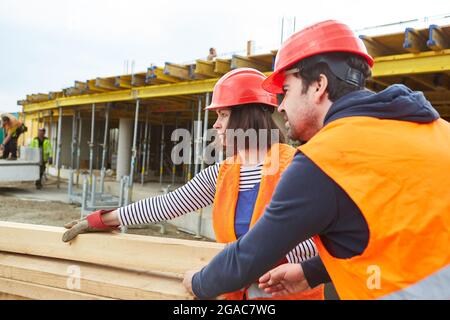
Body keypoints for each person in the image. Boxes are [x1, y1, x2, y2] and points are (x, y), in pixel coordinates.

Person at [182, 20, 450, 300]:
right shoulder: (439, 132)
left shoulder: (323, 161)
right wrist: (312, 272)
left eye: (286, 90)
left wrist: (198, 282)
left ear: (318, 85)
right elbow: (404, 239)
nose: (281, 105)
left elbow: (249, 255)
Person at [62, 68, 324, 300]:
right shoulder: (223, 173)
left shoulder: (295, 167)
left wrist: (257, 263)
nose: (217, 125)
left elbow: (322, 239)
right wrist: (104, 220)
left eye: (222, 115)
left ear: (247, 117)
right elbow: (168, 204)